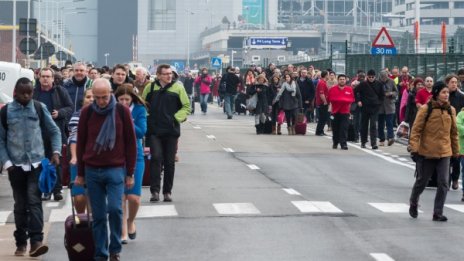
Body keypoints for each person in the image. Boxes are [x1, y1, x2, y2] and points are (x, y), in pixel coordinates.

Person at [75, 78, 137, 261]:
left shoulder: (121, 111)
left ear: (111, 93)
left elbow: (131, 143)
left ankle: (115, 249)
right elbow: (81, 143)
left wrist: (130, 172)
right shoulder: (87, 112)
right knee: (99, 216)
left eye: (104, 97)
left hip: (115, 168)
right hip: (92, 170)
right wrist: (80, 173)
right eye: (97, 97)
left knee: (115, 210)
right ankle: (101, 253)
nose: (101, 101)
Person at [0, 78, 61, 257]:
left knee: (34, 201)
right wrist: (7, 163)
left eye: (29, 93)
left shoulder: (39, 108)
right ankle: (20, 242)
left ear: (33, 92)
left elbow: (54, 131)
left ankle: (36, 241)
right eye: (22, 93)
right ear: (15, 93)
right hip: (15, 166)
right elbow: (1, 139)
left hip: (36, 164)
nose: (26, 96)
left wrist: (56, 152)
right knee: (20, 205)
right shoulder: (6, 112)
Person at [408, 81, 459, 222]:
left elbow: (454, 133)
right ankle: (413, 201)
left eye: (447, 92)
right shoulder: (426, 109)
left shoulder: (451, 110)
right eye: (443, 92)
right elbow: (416, 130)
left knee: (443, 183)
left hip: (445, 152)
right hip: (427, 152)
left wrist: (456, 152)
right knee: (422, 181)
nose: (446, 95)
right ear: (436, 93)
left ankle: (437, 212)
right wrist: (414, 149)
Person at [141, 64, 190, 203]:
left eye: (171, 73)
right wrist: (147, 118)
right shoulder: (150, 88)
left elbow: (187, 106)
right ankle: (155, 191)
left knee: (169, 162)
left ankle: (167, 192)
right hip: (154, 131)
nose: (169, 76)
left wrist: (176, 118)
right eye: (166, 74)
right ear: (158, 75)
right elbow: (143, 105)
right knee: (156, 158)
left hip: (171, 130)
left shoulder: (178, 88)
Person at [33, 68, 73, 201]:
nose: (45, 79)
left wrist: (59, 113)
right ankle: (46, 190)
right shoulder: (34, 92)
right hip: (38, 133)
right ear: (39, 78)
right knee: (42, 162)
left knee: (57, 161)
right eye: (43, 76)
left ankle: (57, 190)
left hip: (56, 131)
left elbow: (70, 107)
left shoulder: (60, 91)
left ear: (52, 78)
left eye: (48, 76)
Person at [114, 84, 147, 244]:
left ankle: (130, 220)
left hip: (136, 154)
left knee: (134, 197)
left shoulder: (139, 110)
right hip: (117, 155)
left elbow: (141, 131)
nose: (124, 103)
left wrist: (127, 120)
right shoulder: (111, 109)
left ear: (132, 99)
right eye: (121, 100)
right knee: (120, 196)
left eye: (127, 100)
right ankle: (122, 231)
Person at [67, 88, 94, 213]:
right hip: (79, 159)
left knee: (93, 198)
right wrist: (74, 156)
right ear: (83, 100)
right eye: (88, 97)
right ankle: (81, 218)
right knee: (79, 198)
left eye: (94, 96)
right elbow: (74, 136)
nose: (92, 99)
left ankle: (93, 227)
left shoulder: (106, 115)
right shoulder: (77, 116)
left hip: (97, 161)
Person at [356, 69, 384, 149]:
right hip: (364, 107)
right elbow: (354, 92)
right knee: (364, 125)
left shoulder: (379, 84)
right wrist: (358, 101)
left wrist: (379, 103)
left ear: (375, 77)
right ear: (367, 76)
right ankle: (363, 142)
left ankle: (373, 143)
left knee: (373, 125)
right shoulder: (363, 84)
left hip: (374, 108)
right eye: (369, 77)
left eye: (372, 77)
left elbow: (382, 95)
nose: (371, 78)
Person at [445, 74, 464, 190]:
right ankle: (446, 180)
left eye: (455, 82)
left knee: (456, 158)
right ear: (447, 83)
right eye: (452, 82)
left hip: (456, 131)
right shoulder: (444, 95)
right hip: (445, 129)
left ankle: (455, 178)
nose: (454, 84)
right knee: (445, 157)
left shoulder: (461, 97)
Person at [328, 74, 355, 150]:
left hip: (345, 112)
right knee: (335, 129)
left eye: (343, 79)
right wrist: (342, 100)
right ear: (338, 80)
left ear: (346, 80)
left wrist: (343, 100)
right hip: (335, 112)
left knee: (344, 128)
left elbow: (351, 100)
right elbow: (330, 99)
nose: (342, 80)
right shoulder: (332, 89)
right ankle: (335, 142)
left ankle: (343, 144)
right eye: (341, 79)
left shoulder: (349, 89)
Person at [377, 70, 398, 146]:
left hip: (389, 105)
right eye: (382, 77)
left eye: (385, 77)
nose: (384, 79)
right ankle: (381, 139)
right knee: (380, 124)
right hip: (380, 106)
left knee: (389, 123)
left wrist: (391, 93)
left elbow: (396, 92)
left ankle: (390, 138)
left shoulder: (392, 82)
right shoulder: (377, 82)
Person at [315, 71, 330, 136]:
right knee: (323, 117)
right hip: (322, 103)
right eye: (328, 75)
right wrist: (325, 101)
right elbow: (321, 93)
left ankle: (321, 130)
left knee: (323, 117)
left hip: (323, 102)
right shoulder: (321, 83)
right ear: (326, 75)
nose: (329, 76)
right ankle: (319, 131)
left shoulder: (323, 82)